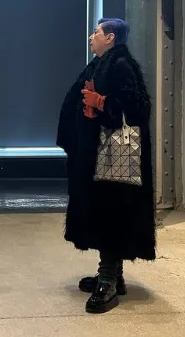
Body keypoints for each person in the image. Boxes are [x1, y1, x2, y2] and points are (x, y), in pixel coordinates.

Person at [56, 18, 155, 314]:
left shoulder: (121, 64)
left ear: (110, 37)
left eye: (96, 32)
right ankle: (114, 276)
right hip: (99, 155)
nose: (91, 36)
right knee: (106, 210)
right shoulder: (102, 63)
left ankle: (108, 280)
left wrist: (102, 102)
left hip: (110, 157)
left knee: (110, 212)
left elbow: (139, 107)